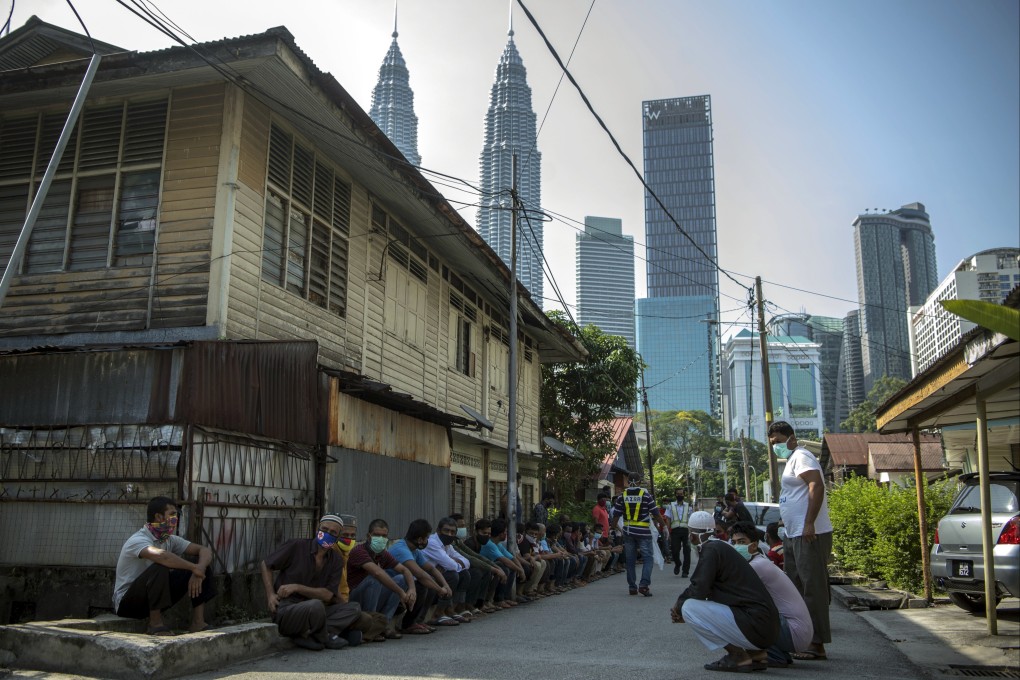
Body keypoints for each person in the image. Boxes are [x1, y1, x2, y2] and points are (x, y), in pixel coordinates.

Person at [670, 511, 780, 672]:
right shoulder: (722, 547)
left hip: (757, 626)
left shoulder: (711, 550)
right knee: (701, 603)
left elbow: (698, 589)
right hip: (765, 627)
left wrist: (678, 607)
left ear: (692, 535)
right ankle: (756, 654)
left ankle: (737, 655)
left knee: (689, 607)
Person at [769, 420, 833, 661]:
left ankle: (817, 644)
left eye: (777, 441)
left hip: (810, 534)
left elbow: (815, 485)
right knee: (794, 589)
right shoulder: (790, 461)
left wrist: (808, 523)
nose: (775, 446)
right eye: (772, 443)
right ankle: (800, 638)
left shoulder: (802, 456)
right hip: (794, 534)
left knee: (812, 589)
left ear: (791, 438)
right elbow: (796, 494)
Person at [113, 496, 216, 636]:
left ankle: (198, 622)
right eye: (172, 514)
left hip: (150, 600)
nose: (176, 519)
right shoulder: (139, 539)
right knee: (160, 566)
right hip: (128, 604)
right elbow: (162, 556)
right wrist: (193, 568)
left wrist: (199, 569)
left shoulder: (168, 539)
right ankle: (155, 625)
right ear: (159, 517)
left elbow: (204, 550)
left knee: (202, 564)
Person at [260, 514, 362, 651]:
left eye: (333, 533)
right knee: (315, 606)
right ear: (317, 529)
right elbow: (266, 564)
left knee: (353, 608)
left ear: (337, 537)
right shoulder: (297, 546)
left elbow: (327, 595)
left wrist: (297, 587)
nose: (327, 534)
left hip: (317, 609)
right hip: (288, 608)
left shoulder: (336, 560)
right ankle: (324, 636)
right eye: (324, 530)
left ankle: (309, 635)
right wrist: (270, 596)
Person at [730, 521, 814, 668]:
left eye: (742, 542)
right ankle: (778, 652)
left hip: (794, 632)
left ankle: (774, 655)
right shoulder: (760, 560)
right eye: (734, 542)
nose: (737, 546)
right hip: (798, 633)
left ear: (754, 545)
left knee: (743, 612)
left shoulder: (756, 566)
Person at [345, 518, 415, 640]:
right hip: (353, 599)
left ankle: (384, 626)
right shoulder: (359, 551)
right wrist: (401, 592)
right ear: (368, 536)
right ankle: (371, 628)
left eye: (384, 536)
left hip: (371, 596)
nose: (381, 539)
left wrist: (412, 590)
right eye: (377, 535)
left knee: (401, 579)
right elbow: (377, 573)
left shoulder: (382, 553)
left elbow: (405, 570)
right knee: (375, 578)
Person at [387, 519, 453, 634]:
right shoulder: (401, 549)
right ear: (420, 539)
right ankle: (408, 624)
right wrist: (439, 589)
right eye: (427, 538)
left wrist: (445, 585)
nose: (427, 540)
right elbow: (420, 574)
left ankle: (418, 620)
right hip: (390, 588)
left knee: (430, 583)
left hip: (402, 587)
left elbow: (431, 569)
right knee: (423, 586)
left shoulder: (414, 550)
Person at [610, 474, 668, 596]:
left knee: (630, 560)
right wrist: (665, 527)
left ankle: (632, 587)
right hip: (644, 533)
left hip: (628, 532)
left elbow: (616, 516)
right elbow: (656, 514)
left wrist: (613, 529)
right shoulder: (646, 496)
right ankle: (644, 585)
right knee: (648, 558)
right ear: (639, 482)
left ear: (627, 481)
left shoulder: (622, 497)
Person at [664, 488, 693, 577]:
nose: (679, 495)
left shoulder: (689, 506)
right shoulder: (670, 506)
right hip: (675, 531)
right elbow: (668, 519)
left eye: (681, 494)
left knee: (687, 551)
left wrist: (691, 533)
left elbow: (691, 520)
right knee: (675, 551)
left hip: (686, 531)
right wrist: (667, 531)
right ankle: (678, 564)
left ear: (684, 495)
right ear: (675, 495)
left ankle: (685, 571)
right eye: (678, 494)